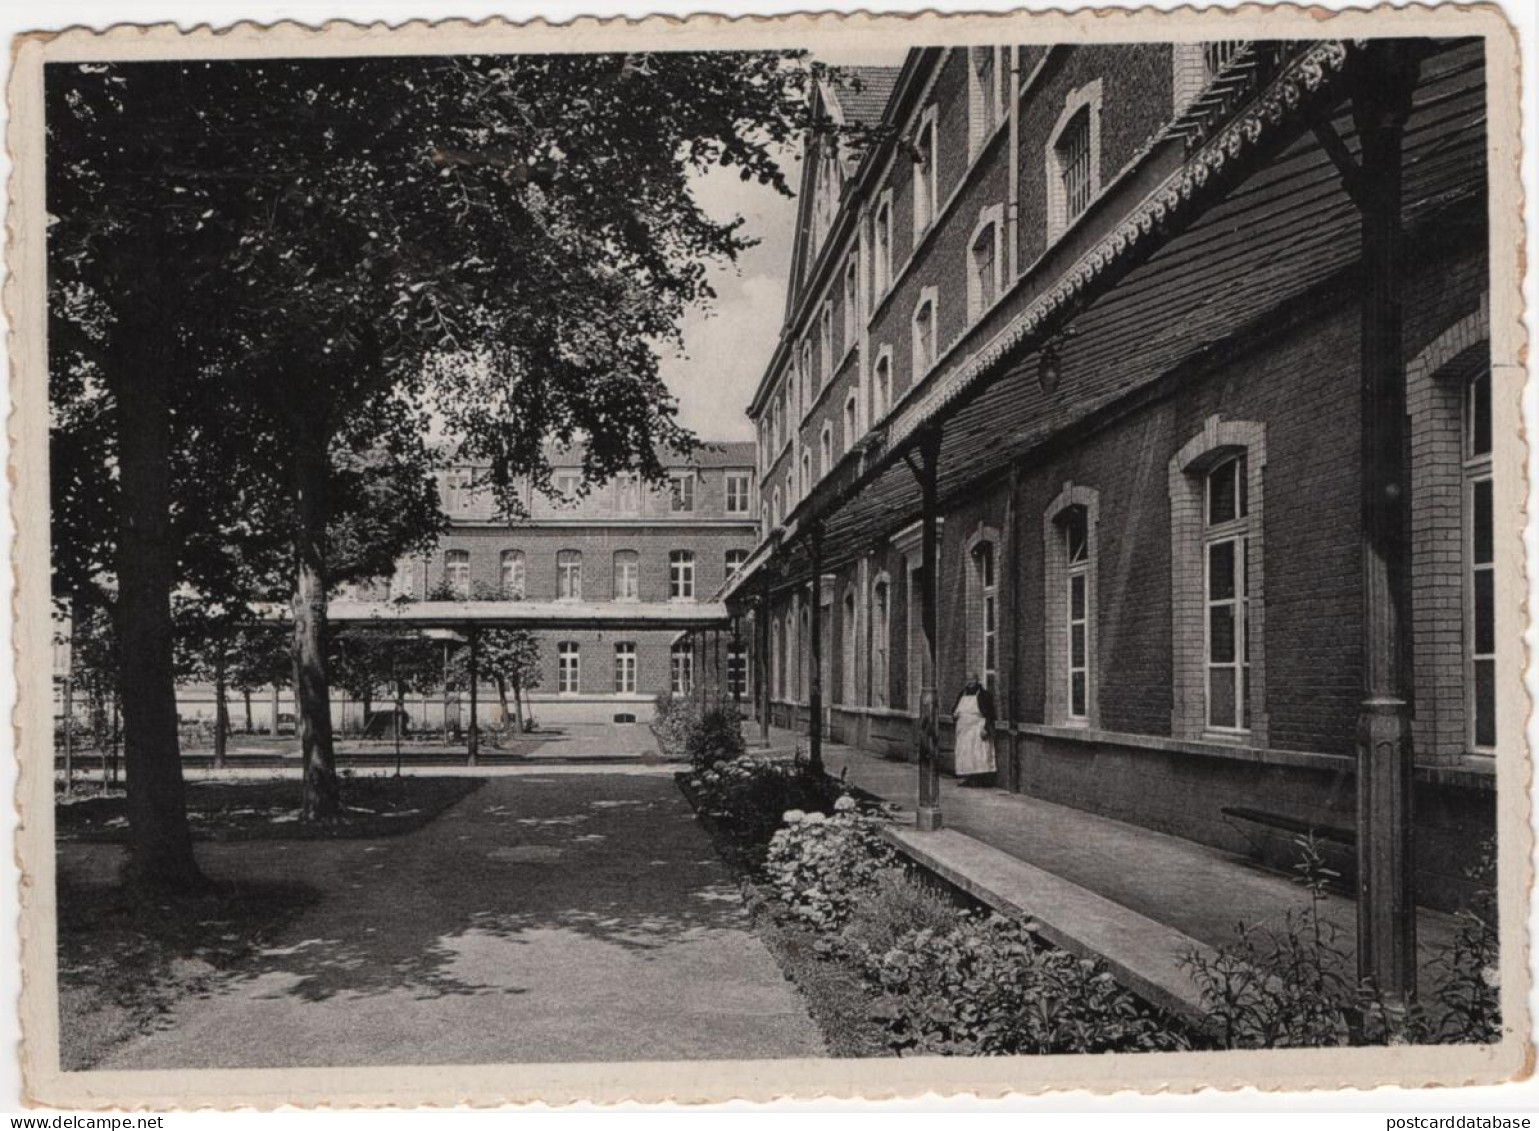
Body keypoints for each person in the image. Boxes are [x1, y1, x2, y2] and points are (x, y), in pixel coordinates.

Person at [951, 673, 996, 785]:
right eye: (968, 680)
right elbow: (954, 709)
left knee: (978, 753)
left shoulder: (984, 695)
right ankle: (967, 778)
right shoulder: (962, 694)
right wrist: (955, 715)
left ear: (977, 680)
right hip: (963, 730)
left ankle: (980, 779)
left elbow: (990, 714)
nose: (970, 682)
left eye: (972, 680)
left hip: (977, 728)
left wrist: (986, 728)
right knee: (965, 753)